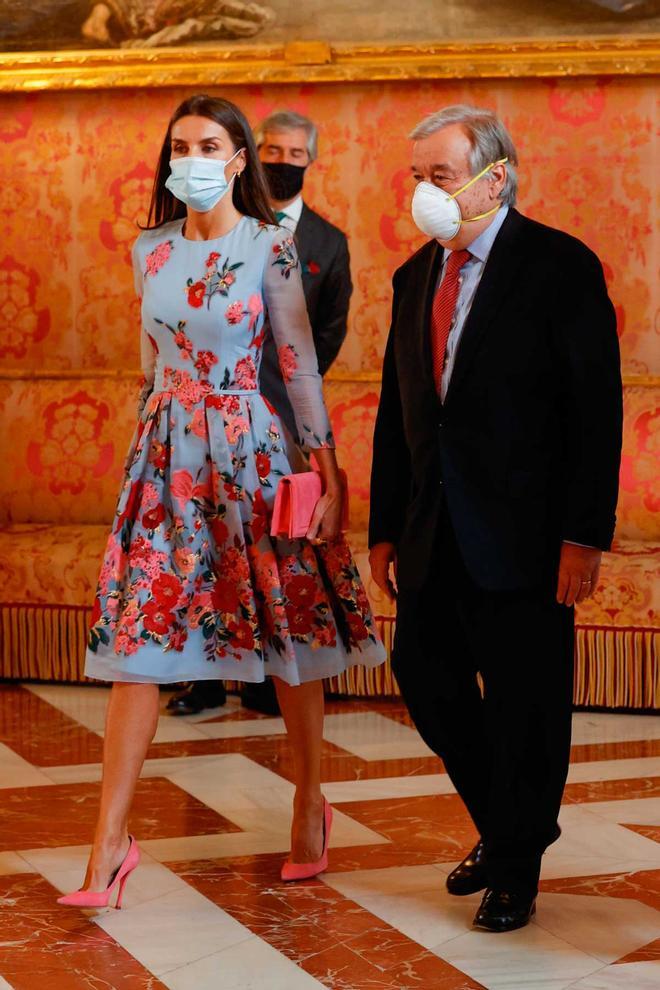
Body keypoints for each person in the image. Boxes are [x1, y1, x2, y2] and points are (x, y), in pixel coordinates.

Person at [58, 93, 385, 909]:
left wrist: (330, 472)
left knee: (291, 632)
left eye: (209, 143)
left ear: (240, 158)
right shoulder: (150, 249)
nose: (192, 158)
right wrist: (153, 443)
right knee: (138, 637)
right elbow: (149, 359)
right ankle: (109, 848)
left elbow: (300, 365)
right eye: (181, 144)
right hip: (166, 459)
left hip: (254, 451)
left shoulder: (271, 244)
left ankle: (310, 802)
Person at [369, 105, 622, 933]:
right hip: (433, 529)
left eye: (439, 177)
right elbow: (398, 413)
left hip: (529, 537)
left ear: (494, 177)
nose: (424, 194)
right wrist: (383, 525)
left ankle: (514, 869)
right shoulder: (415, 277)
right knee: (427, 681)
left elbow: (595, 413)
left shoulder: (558, 267)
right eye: (418, 177)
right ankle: (513, 829)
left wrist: (583, 536)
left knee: (527, 705)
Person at [169, 108, 353, 718]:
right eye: (273, 149)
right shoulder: (158, 248)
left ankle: (265, 683)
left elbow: (316, 343)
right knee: (197, 564)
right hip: (185, 432)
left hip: (271, 423)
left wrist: (307, 437)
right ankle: (202, 677)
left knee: (272, 566)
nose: (283, 162)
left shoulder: (318, 242)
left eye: (295, 155)